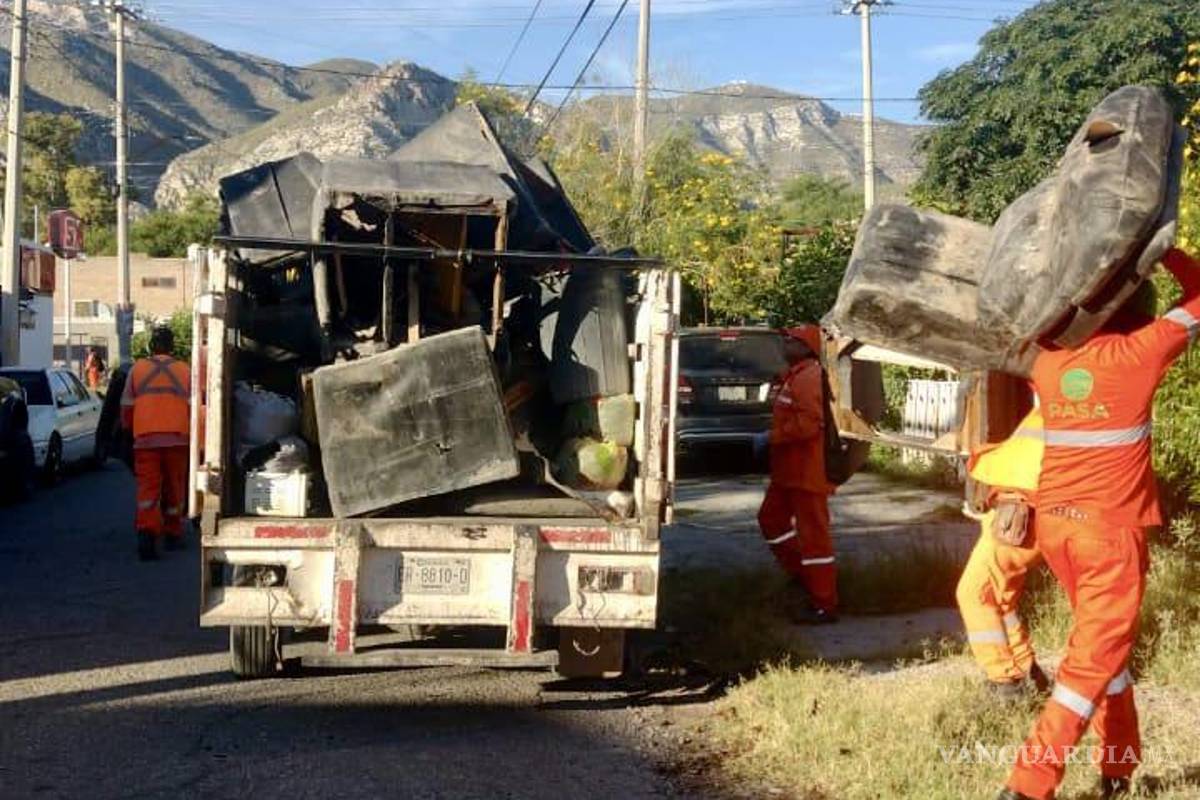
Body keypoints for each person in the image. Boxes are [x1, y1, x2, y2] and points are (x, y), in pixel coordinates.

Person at [999, 248, 1200, 800]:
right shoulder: (1141, 352)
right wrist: (1164, 250)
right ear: (1141, 308)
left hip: (1058, 529)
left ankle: (1120, 763)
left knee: (1107, 651)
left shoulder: (1047, 363)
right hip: (1110, 532)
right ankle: (1028, 783)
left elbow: (1025, 321)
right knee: (1092, 660)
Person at [957, 407, 1049, 697]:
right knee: (1001, 598)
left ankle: (1005, 683)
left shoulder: (1062, 396)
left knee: (974, 593)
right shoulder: (1075, 398)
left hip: (1023, 512)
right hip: (1023, 510)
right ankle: (1027, 671)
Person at [756, 324, 837, 624]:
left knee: (815, 537)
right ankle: (803, 577)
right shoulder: (796, 376)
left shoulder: (810, 377)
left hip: (808, 474)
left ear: (807, 348)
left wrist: (771, 437)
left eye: (791, 339)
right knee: (771, 520)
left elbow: (809, 425)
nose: (784, 343)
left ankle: (824, 605)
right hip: (789, 473)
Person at [121, 326, 191, 561]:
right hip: (177, 438)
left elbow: (126, 407)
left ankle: (147, 533)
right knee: (174, 486)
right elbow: (195, 407)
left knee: (148, 489)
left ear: (151, 346)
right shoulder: (184, 370)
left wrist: (129, 432)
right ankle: (172, 531)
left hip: (146, 440)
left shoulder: (137, 370)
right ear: (172, 346)